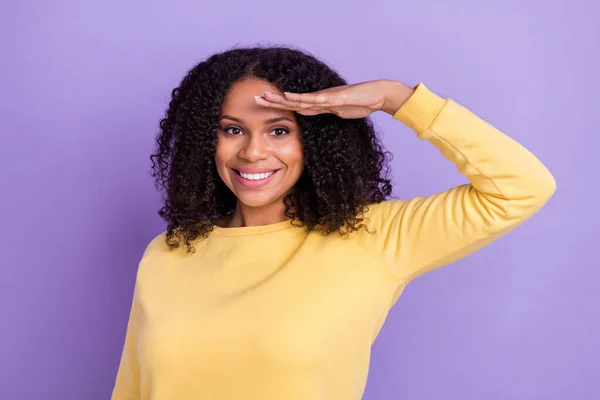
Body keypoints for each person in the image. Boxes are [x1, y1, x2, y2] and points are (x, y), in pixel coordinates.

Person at [111, 46, 556, 400]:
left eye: (279, 130)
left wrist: (397, 99)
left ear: (314, 139)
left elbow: (521, 187)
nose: (252, 152)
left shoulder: (373, 239)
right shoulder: (168, 252)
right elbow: (132, 391)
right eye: (232, 129)